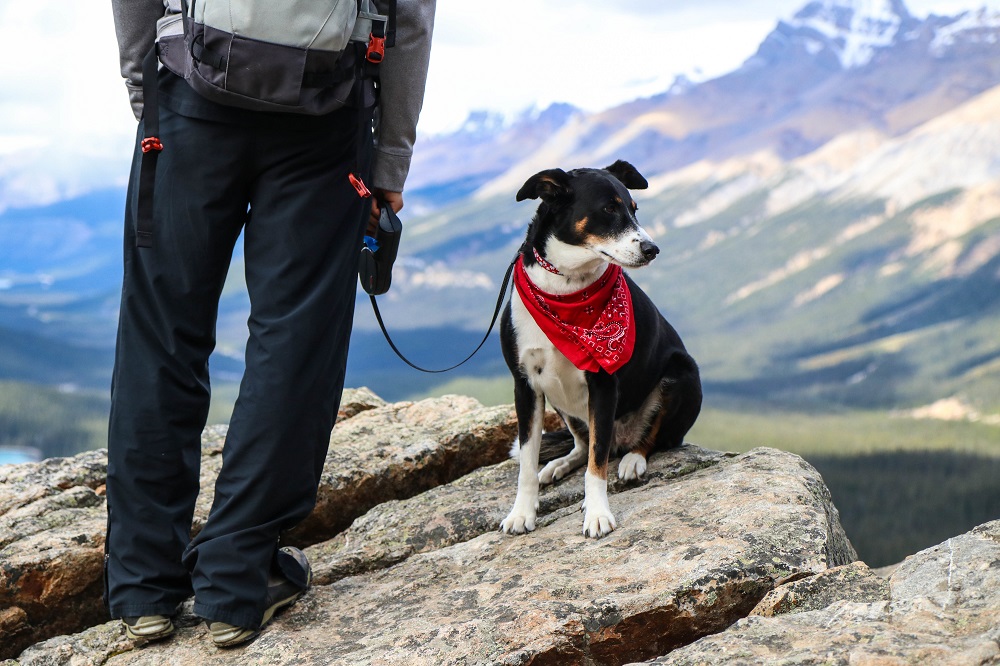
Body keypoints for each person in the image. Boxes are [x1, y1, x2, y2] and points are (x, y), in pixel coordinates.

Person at [105, 0, 437, 648]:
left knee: (161, 336)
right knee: (294, 341)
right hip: (326, 107)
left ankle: (145, 586)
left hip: (189, 91)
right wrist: (390, 160)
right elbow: (412, 17)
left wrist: (149, 86)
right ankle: (235, 582)